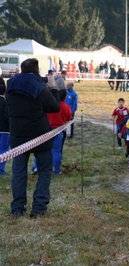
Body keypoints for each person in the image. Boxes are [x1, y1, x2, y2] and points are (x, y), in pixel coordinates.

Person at [6, 58, 60, 218]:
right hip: (40, 136)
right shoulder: (41, 89)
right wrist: (54, 88)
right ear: (37, 71)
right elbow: (55, 107)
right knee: (44, 171)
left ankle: (17, 209)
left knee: (19, 173)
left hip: (17, 136)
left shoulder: (10, 86)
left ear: (21, 70)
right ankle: (38, 208)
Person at [32, 89, 72, 175]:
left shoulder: (49, 106)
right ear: (65, 97)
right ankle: (56, 170)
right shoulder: (66, 107)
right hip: (58, 130)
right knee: (56, 151)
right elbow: (69, 119)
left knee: (41, 149)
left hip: (47, 130)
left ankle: (36, 167)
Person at [0, 77, 9, 175]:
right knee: (3, 150)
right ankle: (1, 169)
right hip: (4, 130)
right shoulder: (5, 102)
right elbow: (7, 116)